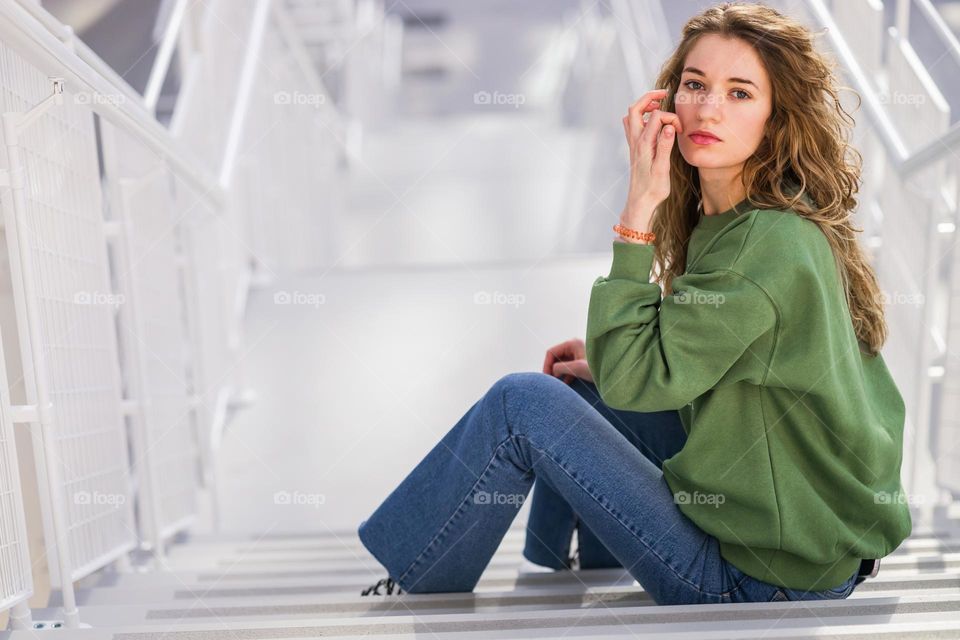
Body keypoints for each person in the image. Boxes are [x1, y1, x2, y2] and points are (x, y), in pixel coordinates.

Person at [356, 1, 911, 605]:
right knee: (582, 385)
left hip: (756, 578)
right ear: (669, 97)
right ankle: (566, 559)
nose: (707, 107)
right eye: (694, 85)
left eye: (740, 93)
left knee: (522, 404)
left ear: (777, 118)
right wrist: (608, 365)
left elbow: (641, 379)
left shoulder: (765, 245)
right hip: (799, 556)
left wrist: (638, 208)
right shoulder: (757, 221)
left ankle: (417, 589)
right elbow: (712, 362)